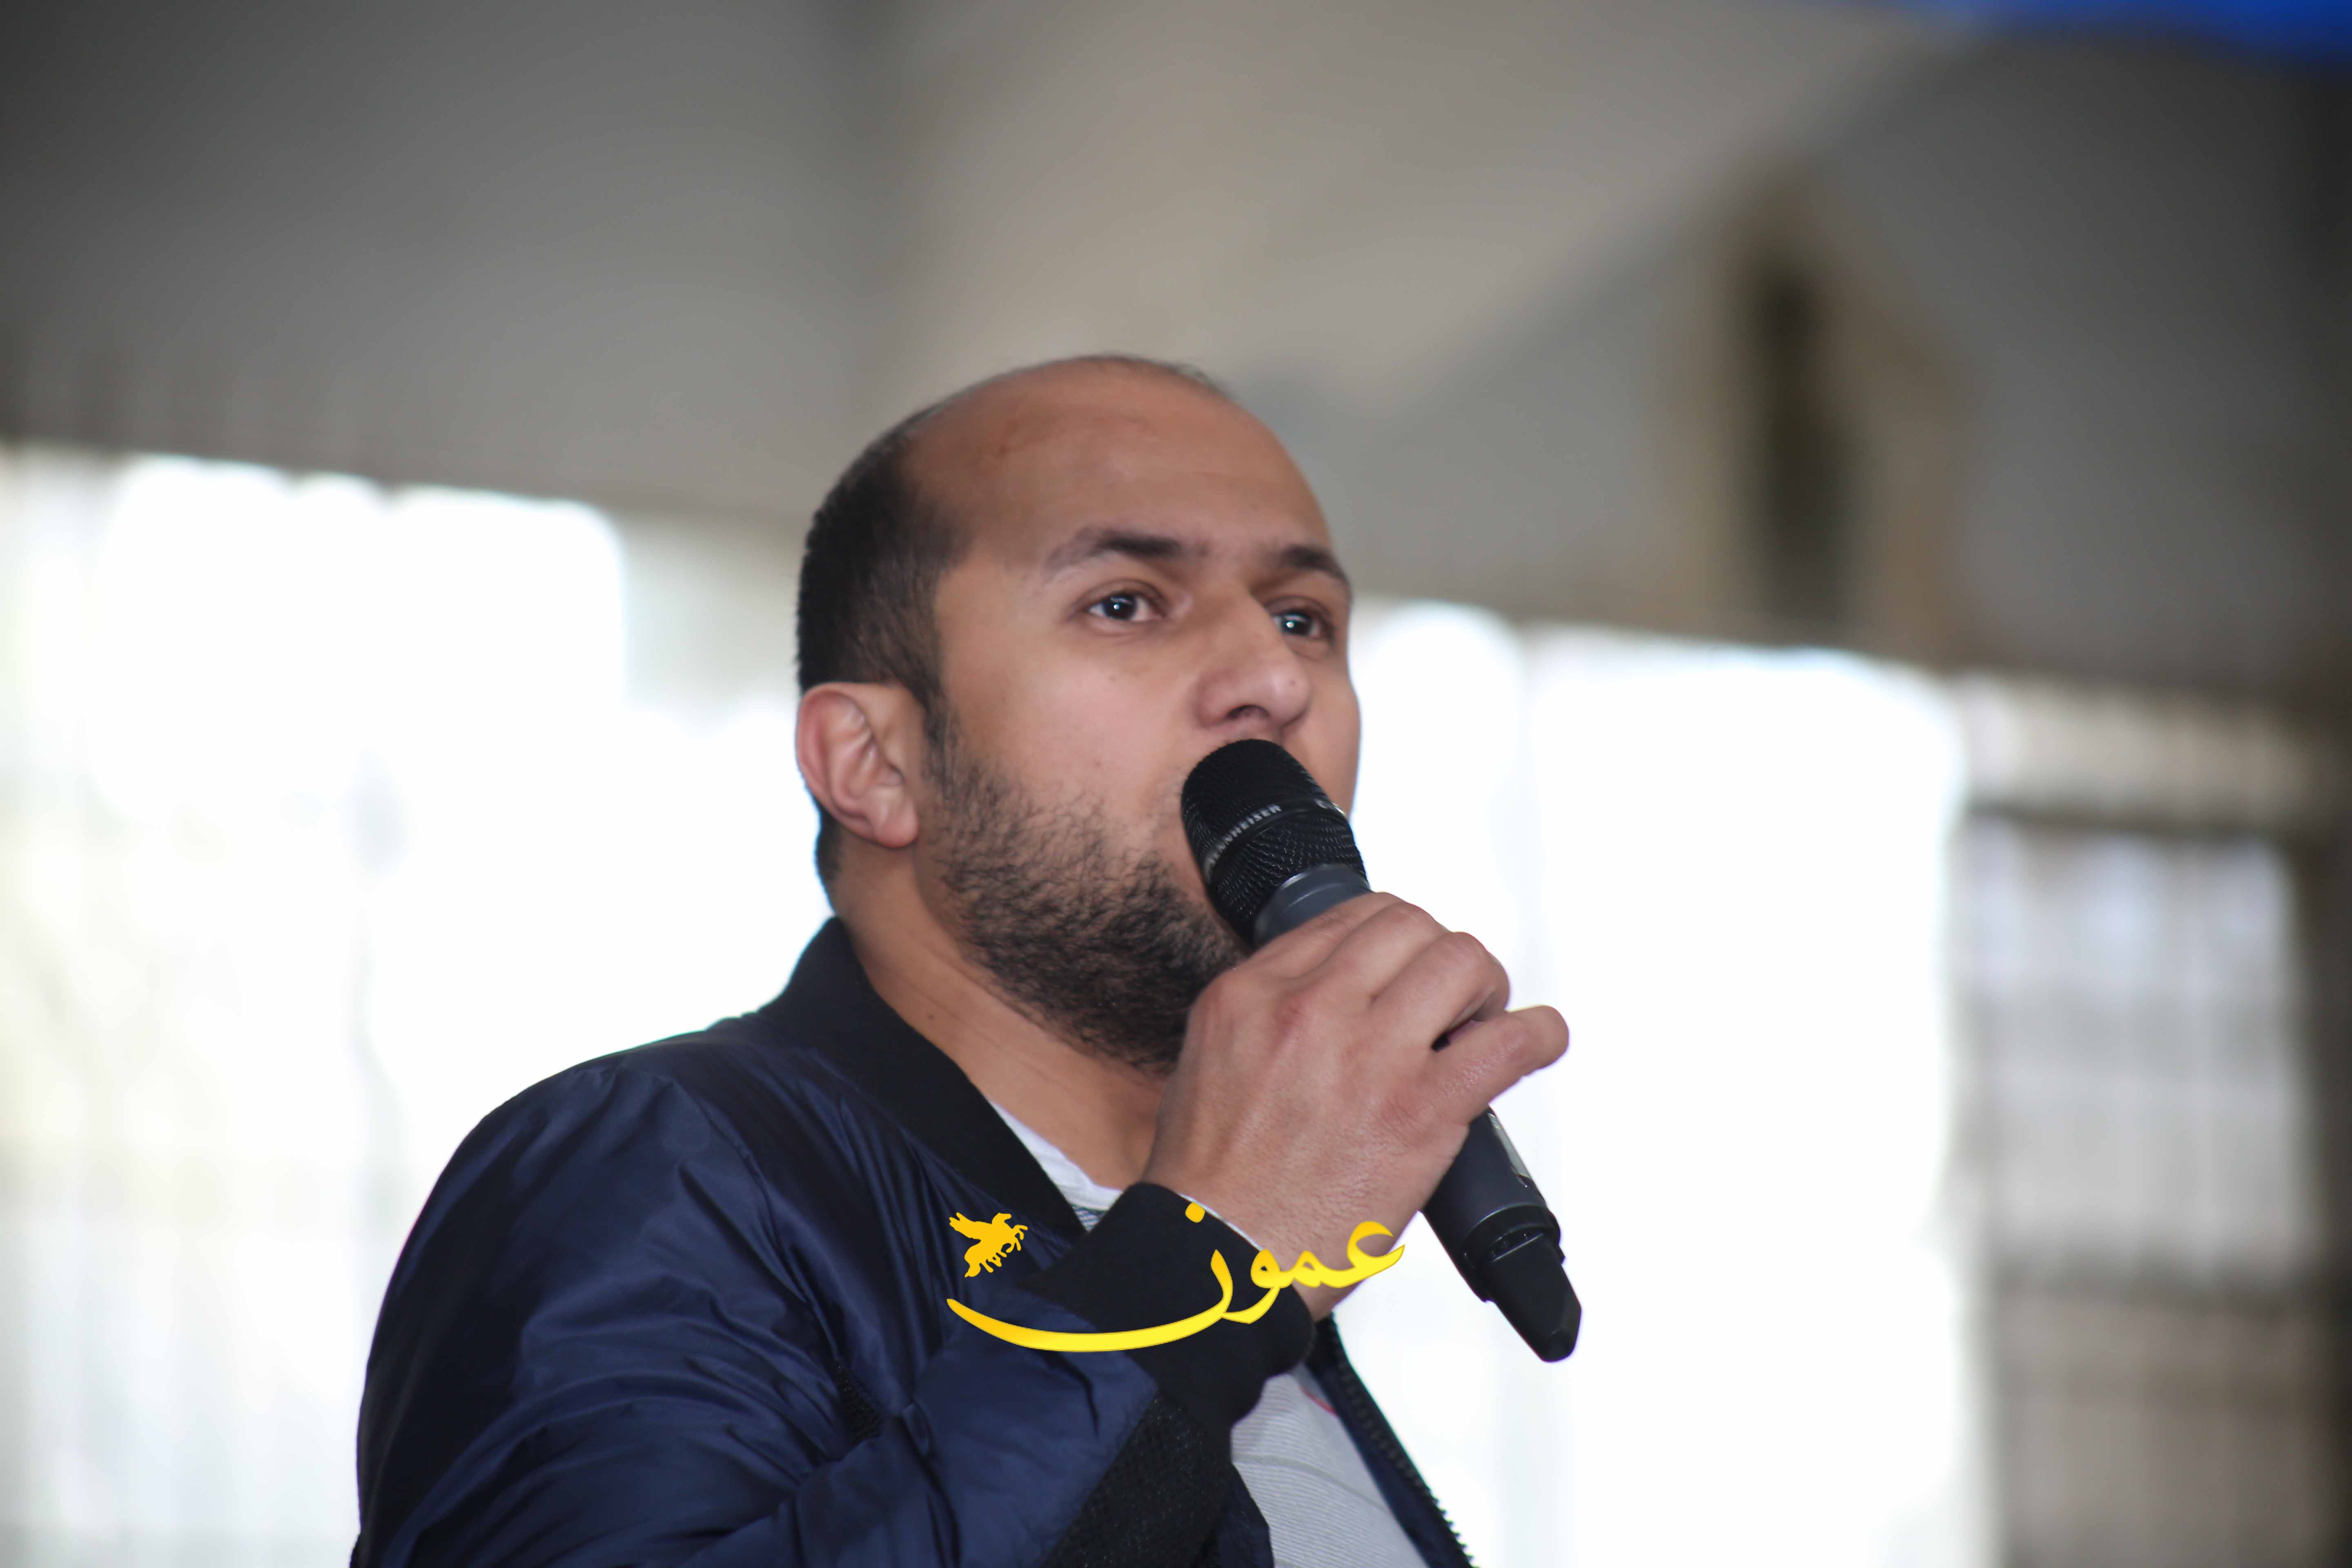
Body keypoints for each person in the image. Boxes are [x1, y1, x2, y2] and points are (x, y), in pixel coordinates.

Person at [351, 355, 1569, 1568]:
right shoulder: (650, 1168)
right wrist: (1211, 1259)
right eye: (1126, 603)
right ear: (875, 763)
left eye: (1303, 619)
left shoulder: (1259, 1294)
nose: (1274, 678)